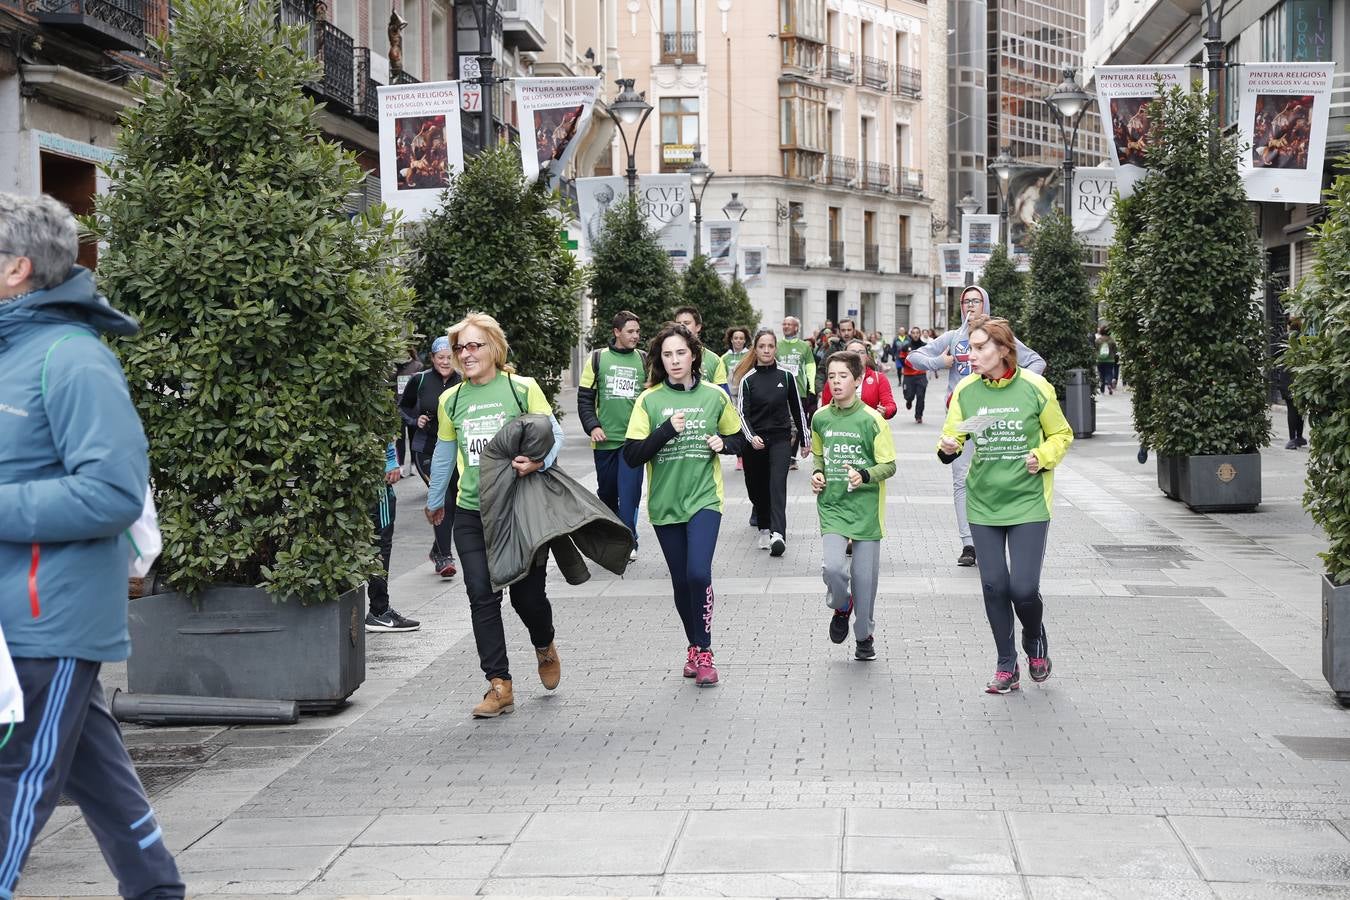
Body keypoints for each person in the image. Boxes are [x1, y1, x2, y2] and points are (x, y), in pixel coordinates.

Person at [0, 192, 185, 897]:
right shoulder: (12, 355)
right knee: (98, 777)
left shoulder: (73, 359)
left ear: (18, 268)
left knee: (13, 778)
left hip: (50, 621)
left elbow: (110, 493)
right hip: (15, 618)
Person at [424, 313, 565, 719]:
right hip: (472, 511)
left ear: (494, 348)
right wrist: (436, 499)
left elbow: (552, 434)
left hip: (519, 509)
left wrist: (537, 462)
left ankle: (544, 643)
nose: (465, 354)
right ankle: (499, 684)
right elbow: (446, 452)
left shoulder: (521, 389)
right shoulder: (451, 399)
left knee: (527, 597)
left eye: (474, 346)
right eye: (460, 348)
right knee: (481, 595)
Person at [937, 316, 1072, 694]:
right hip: (983, 504)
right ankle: (1005, 663)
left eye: (980, 348)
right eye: (970, 348)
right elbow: (953, 437)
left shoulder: (1035, 387)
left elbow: (1062, 433)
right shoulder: (965, 390)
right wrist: (948, 447)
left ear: (1003, 350)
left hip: (1028, 501)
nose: (971, 355)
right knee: (995, 586)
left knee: (1024, 589)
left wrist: (1043, 454)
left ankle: (1034, 638)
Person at [624, 322, 746, 686]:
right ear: (660, 360)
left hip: (705, 499)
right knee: (680, 582)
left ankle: (705, 651)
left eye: (681, 353)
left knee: (698, 573)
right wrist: (665, 431)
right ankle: (693, 646)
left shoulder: (714, 396)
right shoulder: (649, 400)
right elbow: (631, 455)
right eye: (667, 355)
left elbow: (739, 438)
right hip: (665, 505)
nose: (675, 360)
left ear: (694, 355)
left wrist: (724, 445)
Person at [907, 285, 1045, 567]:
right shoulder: (953, 337)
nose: (970, 306)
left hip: (996, 416)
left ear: (986, 304)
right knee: (961, 479)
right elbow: (913, 357)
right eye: (966, 301)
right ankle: (968, 544)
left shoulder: (999, 337)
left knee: (996, 474)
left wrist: (1017, 387)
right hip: (964, 417)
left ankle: (997, 533)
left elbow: (1036, 362)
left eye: (976, 300)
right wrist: (939, 361)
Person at [811, 351, 897, 661]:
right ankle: (841, 604)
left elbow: (889, 466)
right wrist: (818, 473)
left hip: (867, 510)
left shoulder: (873, 420)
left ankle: (864, 636)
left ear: (858, 380)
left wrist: (864, 475)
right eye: (831, 376)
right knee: (834, 568)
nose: (835, 382)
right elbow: (819, 455)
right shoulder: (820, 417)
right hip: (833, 506)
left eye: (843, 376)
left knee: (865, 580)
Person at [734, 330, 810, 557]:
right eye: (762, 346)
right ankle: (764, 526)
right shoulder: (748, 380)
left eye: (770, 346)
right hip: (755, 441)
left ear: (775, 348)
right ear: (755, 349)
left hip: (780, 439)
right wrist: (750, 437)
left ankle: (778, 534)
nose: (766, 350)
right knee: (756, 488)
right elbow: (741, 414)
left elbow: (798, 409)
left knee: (777, 484)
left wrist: (805, 440)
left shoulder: (786, 376)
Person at [577, 311, 646, 560]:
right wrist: (593, 426)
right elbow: (585, 398)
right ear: (617, 332)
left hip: (633, 442)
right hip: (605, 441)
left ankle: (629, 540)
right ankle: (615, 527)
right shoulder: (597, 358)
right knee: (607, 492)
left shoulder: (644, 360)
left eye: (637, 331)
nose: (635, 336)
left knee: (629, 493)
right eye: (630, 331)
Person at [400, 336, 461, 578]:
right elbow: (402, 407)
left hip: (457, 450)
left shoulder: (464, 380)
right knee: (443, 495)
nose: (445, 362)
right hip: (426, 449)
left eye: (449, 358)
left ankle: (437, 548)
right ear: (433, 358)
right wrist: (416, 420)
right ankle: (445, 557)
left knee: (457, 499)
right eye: (440, 357)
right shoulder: (420, 379)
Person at [366, 444, 421, 632]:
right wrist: (390, 460)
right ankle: (379, 610)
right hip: (372, 478)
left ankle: (379, 609)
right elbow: (381, 425)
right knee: (380, 543)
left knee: (376, 543)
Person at [822, 338, 897, 420]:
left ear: (867, 356)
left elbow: (890, 405)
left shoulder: (879, 378)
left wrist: (885, 411)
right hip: (840, 427)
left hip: (868, 427)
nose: (857, 356)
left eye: (861, 352)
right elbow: (825, 408)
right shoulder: (834, 379)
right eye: (852, 352)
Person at [673, 306, 728, 391]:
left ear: (698, 327)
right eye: (678, 323)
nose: (682, 326)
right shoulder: (664, 357)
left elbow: (723, 395)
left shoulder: (714, 360)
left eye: (686, 323)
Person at [1274, 316, 1306, 450]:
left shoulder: (1282, 339)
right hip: (1301, 377)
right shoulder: (1305, 338)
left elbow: (1276, 357)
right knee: (1301, 409)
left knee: (1291, 409)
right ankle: (1299, 436)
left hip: (1287, 378)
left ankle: (1292, 439)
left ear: (1288, 325)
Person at [898, 326, 929, 424]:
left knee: (921, 396)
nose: (915, 335)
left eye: (917, 333)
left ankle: (918, 416)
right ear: (910, 334)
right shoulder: (906, 346)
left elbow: (929, 357)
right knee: (908, 395)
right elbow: (901, 358)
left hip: (921, 375)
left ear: (920, 334)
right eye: (913, 333)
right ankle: (909, 400)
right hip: (908, 375)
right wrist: (909, 363)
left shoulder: (925, 346)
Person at [1094, 326, 1119, 395]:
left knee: (1101, 374)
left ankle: (1102, 389)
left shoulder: (1098, 340)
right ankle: (1109, 384)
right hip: (1110, 360)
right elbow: (1115, 350)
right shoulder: (1111, 340)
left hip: (1100, 360)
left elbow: (1096, 350)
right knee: (1109, 373)